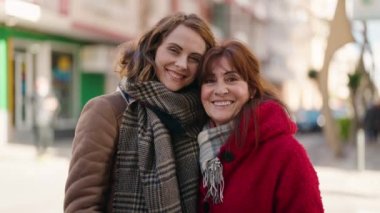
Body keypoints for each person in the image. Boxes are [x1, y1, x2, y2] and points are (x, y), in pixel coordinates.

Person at [64, 13, 216, 213]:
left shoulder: (202, 116)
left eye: (194, 58)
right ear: (153, 49)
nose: (182, 64)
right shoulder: (107, 111)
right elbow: (81, 206)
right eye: (173, 50)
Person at [197, 40, 324, 212]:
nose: (220, 90)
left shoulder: (287, 153)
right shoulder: (191, 147)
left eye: (231, 79)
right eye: (210, 81)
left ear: (252, 90)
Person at [32, 77, 59, 156]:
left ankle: (45, 150)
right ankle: (40, 152)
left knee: (47, 135)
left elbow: (55, 104)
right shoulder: (35, 95)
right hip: (39, 119)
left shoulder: (50, 94)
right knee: (39, 136)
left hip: (48, 119)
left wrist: (51, 105)